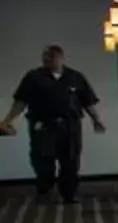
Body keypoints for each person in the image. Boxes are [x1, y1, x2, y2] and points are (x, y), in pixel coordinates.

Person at [0, 46, 104, 205]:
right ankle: (44, 190)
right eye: (45, 57)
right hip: (43, 125)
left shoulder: (75, 77)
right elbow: (20, 102)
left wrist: (96, 119)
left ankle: (69, 194)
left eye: (51, 57)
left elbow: (87, 102)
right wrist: (7, 120)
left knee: (71, 160)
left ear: (61, 58)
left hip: (69, 126)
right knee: (42, 160)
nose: (47, 60)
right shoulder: (34, 77)